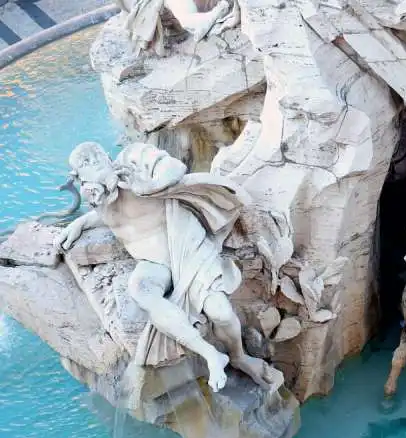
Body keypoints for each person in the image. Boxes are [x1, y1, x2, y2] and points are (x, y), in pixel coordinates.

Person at [54, 142, 281, 404]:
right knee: (141, 290)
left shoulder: (134, 159)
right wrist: (79, 224)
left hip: (186, 246)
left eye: (94, 161)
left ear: (106, 156)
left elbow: (175, 168)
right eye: (84, 169)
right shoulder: (101, 197)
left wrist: (148, 187)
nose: (92, 171)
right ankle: (210, 355)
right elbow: (104, 216)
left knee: (220, 312)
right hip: (153, 262)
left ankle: (239, 356)